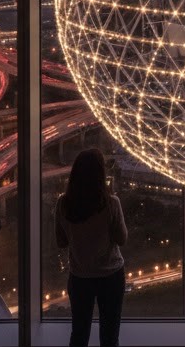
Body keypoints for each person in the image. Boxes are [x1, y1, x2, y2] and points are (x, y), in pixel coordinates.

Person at [55, 148, 128, 347]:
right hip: (111, 276)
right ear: (101, 175)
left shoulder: (63, 204)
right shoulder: (112, 204)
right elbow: (122, 239)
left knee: (79, 334)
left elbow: (61, 242)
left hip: (80, 277)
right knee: (110, 335)